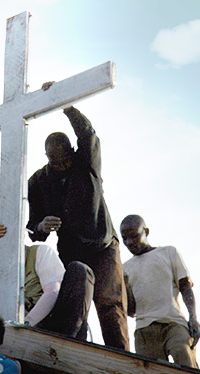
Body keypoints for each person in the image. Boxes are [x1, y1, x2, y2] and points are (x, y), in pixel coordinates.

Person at [26, 106, 129, 351]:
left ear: (73, 152)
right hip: (71, 252)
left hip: (102, 245)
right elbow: (33, 228)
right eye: (55, 161)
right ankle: (76, 352)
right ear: (46, 157)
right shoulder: (38, 181)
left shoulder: (86, 163)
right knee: (74, 305)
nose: (61, 165)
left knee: (109, 304)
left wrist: (68, 108)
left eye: (65, 159)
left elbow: (88, 135)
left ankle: (121, 358)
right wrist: (42, 224)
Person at [0, 214, 94, 339]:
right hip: (21, 324)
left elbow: (52, 292)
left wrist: (27, 324)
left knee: (79, 270)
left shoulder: (40, 252)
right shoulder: (2, 265)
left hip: (54, 321)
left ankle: (69, 340)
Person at [120, 214, 200, 368]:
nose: (129, 242)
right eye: (125, 238)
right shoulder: (125, 268)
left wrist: (193, 317)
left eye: (134, 236)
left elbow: (185, 286)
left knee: (184, 357)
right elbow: (131, 311)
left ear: (146, 232)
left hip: (174, 323)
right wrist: (125, 286)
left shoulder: (168, 252)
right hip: (145, 330)